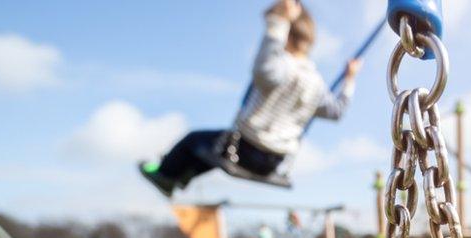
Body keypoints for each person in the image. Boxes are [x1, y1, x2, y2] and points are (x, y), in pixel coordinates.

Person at [139, 0, 363, 197]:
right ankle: (182, 176)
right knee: (210, 151)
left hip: (246, 149)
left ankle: (165, 175)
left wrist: (279, 22)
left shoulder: (282, 66)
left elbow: (264, 70)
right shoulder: (317, 84)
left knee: (192, 141)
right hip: (275, 161)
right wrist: (350, 80)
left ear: (286, 34)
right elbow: (337, 111)